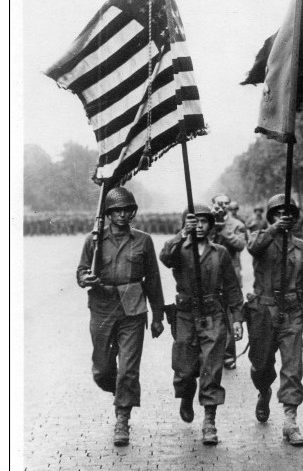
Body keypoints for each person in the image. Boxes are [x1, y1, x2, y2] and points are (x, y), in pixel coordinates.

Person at [77, 187, 165, 447]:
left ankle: (122, 419)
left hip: (132, 308)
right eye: (117, 211)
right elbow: (81, 270)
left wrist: (158, 315)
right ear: (108, 213)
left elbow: (153, 279)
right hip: (102, 307)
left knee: (128, 368)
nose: (123, 215)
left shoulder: (143, 240)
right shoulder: (93, 240)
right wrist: (86, 278)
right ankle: (120, 391)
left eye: (128, 210)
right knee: (103, 370)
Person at [159, 205, 244, 445]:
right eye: (193, 222)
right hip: (185, 314)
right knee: (184, 368)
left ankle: (209, 421)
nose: (199, 227)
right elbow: (165, 257)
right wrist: (181, 234)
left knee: (211, 366)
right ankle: (186, 395)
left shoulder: (220, 253)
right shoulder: (179, 249)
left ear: (211, 226)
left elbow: (231, 287)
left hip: (213, 313)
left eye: (203, 222)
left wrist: (237, 318)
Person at [245, 194, 303, 446]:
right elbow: (253, 248)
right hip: (263, 310)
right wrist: (273, 230)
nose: (283, 219)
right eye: (277, 214)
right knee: (261, 364)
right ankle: (264, 390)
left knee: (292, 366)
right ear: (270, 218)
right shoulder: (260, 239)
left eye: (287, 215)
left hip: (292, 311)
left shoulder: (302, 248)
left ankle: (290, 421)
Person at [210, 193, 247, 369]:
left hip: (230, 275)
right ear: (213, 204)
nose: (222, 207)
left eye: (226, 203)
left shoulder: (237, 225)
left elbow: (240, 245)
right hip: (210, 277)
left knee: (231, 315)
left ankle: (228, 355)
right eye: (219, 203)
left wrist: (223, 229)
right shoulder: (206, 222)